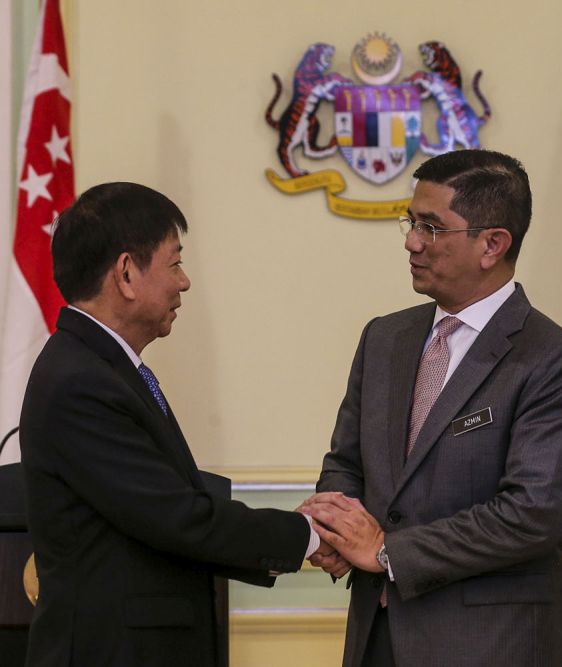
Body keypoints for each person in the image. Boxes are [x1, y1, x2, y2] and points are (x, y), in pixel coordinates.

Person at [300, 149, 562, 666]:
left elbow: (529, 516)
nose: (412, 242)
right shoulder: (384, 337)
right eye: (411, 222)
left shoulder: (554, 358)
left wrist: (386, 551)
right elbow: (347, 462)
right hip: (380, 636)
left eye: (432, 227)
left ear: (492, 244)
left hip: (496, 643)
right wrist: (332, 525)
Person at [19, 182, 339, 667]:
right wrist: (308, 535)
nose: (184, 281)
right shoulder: (81, 382)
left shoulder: (102, 368)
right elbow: (175, 517)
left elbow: (166, 502)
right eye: (174, 263)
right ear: (127, 273)